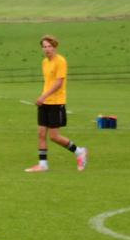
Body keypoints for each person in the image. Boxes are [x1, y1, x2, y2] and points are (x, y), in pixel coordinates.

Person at [25, 34, 86, 173]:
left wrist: (43, 96)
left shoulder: (61, 61)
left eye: (49, 46)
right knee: (41, 133)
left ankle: (80, 151)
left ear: (55, 47)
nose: (47, 49)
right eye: (44, 47)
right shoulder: (44, 62)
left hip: (56, 103)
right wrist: (43, 98)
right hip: (45, 102)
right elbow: (48, 82)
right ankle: (43, 165)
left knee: (54, 136)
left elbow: (59, 83)